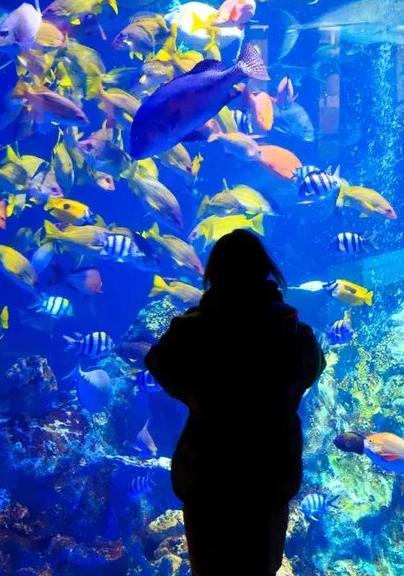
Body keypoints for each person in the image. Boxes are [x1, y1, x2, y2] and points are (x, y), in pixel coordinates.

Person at [145, 230, 325, 576]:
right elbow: (313, 367)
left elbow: (158, 362)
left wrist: (198, 398)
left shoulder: (192, 332)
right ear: (266, 272)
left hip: (207, 473)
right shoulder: (294, 333)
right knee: (262, 567)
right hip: (270, 472)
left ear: (213, 274)